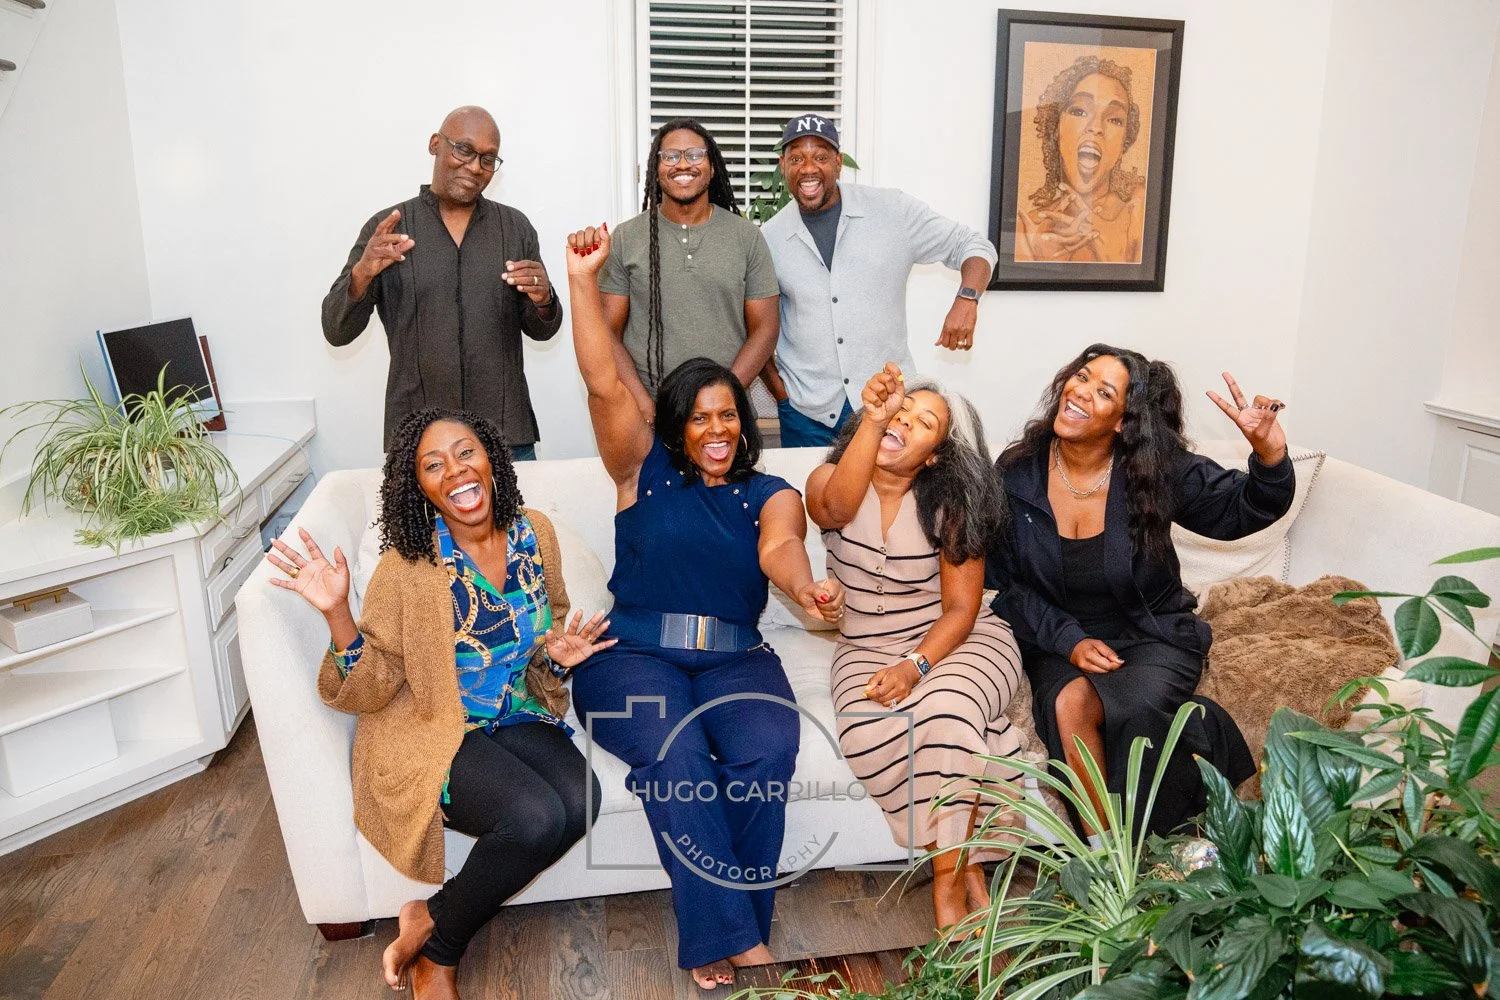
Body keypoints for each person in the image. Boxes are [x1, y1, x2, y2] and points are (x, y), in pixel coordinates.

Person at [562, 222, 844, 990]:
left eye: (729, 415)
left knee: (765, 751)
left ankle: (734, 923)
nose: (717, 429)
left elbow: (780, 551)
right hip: (627, 657)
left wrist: (805, 587)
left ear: (743, 423)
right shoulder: (639, 471)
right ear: (679, 427)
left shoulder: (771, 493)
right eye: (700, 417)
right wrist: (584, 284)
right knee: (678, 757)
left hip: (735, 656)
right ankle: (736, 936)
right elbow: (600, 381)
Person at [265, 408, 612, 999]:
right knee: (532, 818)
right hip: (438, 728)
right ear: (420, 487)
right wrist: (336, 612)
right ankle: (440, 955)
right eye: (433, 465)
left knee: (581, 802)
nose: (455, 470)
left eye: (465, 452)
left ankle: (429, 913)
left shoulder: (536, 533)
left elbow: (546, 628)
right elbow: (371, 684)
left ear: (492, 461)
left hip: (517, 710)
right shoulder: (410, 568)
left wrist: (560, 656)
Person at [988, 345, 1293, 838]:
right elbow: (1006, 583)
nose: (1080, 392)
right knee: (1068, 704)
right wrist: (1069, 641)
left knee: (1137, 712)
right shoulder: (1018, 472)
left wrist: (1268, 453)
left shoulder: (1156, 469)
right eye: (1081, 377)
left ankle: (1148, 845)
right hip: (1057, 637)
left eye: (1103, 391)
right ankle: (1108, 857)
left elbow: (1246, 508)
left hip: (1151, 633)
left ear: (1123, 421)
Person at [805, 363, 1023, 931]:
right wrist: (874, 422)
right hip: (865, 648)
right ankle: (971, 853)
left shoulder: (950, 504)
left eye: (924, 422)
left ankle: (946, 892)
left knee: (947, 715)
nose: (906, 420)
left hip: (957, 642)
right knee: (870, 730)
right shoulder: (825, 481)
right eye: (901, 410)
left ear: (933, 456)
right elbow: (833, 511)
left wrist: (915, 665)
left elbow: (961, 610)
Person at [321, 106, 562, 458]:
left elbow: (542, 331)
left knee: (519, 517)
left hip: (505, 437)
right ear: (436, 144)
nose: (475, 167)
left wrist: (545, 300)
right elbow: (336, 331)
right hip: (419, 441)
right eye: (464, 150)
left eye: (488, 159)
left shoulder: (514, 229)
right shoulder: (389, 228)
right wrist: (361, 274)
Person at [758, 113, 998, 448]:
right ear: (783, 165)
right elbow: (756, 325)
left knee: (890, 500)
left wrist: (967, 298)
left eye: (821, 157)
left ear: (838, 163)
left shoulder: (892, 211)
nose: (808, 168)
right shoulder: (768, 238)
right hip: (806, 414)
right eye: (797, 158)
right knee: (809, 500)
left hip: (889, 406)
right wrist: (782, 394)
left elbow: (973, 246)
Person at [598, 118, 780, 423]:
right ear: (656, 168)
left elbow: (765, 329)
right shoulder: (626, 238)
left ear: (711, 167)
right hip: (650, 414)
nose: (683, 164)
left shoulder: (746, 236)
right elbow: (607, 333)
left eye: (695, 155)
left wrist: (725, 399)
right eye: (670, 156)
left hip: (726, 415)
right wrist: (644, 405)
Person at [1017, 57, 1147, 264]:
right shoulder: (1027, 228)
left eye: (1114, 119)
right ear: (1055, 128)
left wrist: (1111, 257)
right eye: (1079, 111)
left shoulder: (1138, 218)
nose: (1095, 127)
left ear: (1125, 142)